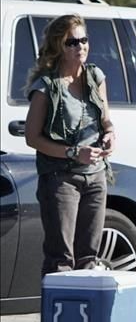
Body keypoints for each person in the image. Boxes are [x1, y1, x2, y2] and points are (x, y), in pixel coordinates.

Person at [23, 14, 115, 275]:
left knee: (89, 257)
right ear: (58, 47)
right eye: (71, 42)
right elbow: (33, 138)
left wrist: (110, 136)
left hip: (96, 176)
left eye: (83, 40)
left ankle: (86, 316)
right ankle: (58, 315)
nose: (80, 47)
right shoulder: (46, 88)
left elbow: (106, 121)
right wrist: (74, 152)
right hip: (60, 178)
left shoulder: (95, 76)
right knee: (60, 259)